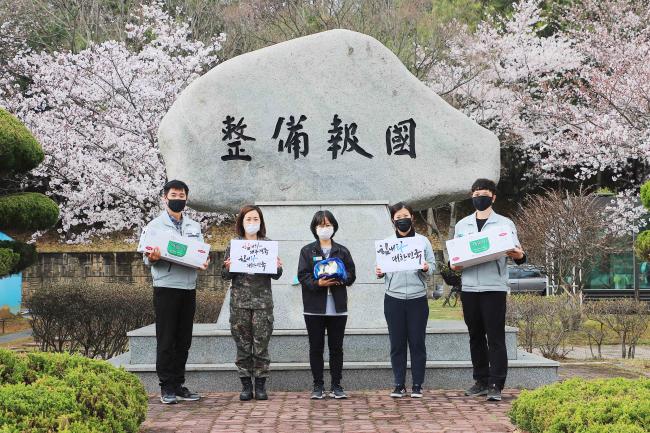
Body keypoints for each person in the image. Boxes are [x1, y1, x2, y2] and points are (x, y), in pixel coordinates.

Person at [450, 178, 526, 402]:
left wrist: (517, 254)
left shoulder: (504, 224)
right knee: (475, 336)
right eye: (474, 194)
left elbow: (520, 256)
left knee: (495, 337)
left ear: (493, 197)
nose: (478, 197)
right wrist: (453, 264)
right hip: (470, 288)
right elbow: (455, 256)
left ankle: (496, 383)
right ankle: (481, 380)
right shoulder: (462, 225)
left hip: (494, 287)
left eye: (483, 193)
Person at [141, 179, 210, 405]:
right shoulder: (154, 226)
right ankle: (166, 386)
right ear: (164, 198)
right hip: (166, 287)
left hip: (188, 287)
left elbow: (199, 252)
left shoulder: (194, 226)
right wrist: (152, 257)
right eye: (174, 195)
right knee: (167, 338)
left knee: (183, 339)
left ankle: (179, 384)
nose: (178, 199)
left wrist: (204, 261)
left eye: (182, 196)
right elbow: (146, 256)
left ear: (186, 199)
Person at [222, 205, 283, 401]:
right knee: (242, 345)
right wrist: (229, 267)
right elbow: (224, 275)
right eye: (248, 219)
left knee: (261, 345)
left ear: (261, 222)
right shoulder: (234, 245)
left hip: (263, 304)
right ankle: (246, 385)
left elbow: (277, 275)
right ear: (241, 222)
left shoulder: (267, 244)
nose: (252, 223)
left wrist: (277, 267)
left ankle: (261, 385)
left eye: (255, 219)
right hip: (239, 304)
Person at [375, 202, 435, 398]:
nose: (402, 220)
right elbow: (381, 268)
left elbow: (433, 267)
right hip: (393, 299)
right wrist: (379, 272)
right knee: (397, 343)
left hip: (418, 299)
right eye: (398, 217)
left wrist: (426, 268)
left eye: (405, 216)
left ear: (412, 217)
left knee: (417, 342)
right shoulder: (387, 243)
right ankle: (399, 384)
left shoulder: (423, 242)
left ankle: (417, 384)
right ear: (393, 220)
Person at [297, 210, 356, 399]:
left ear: (334, 227)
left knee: (336, 348)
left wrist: (342, 278)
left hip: (338, 308)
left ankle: (337, 385)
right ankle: (318, 386)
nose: (325, 228)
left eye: (328, 225)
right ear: (315, 228)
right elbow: (303, 275)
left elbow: (352, 274)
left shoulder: (343, 250)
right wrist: (317, 283)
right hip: (314, 308)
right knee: (316, 347)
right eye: (321, 225)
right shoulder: (307, 251)